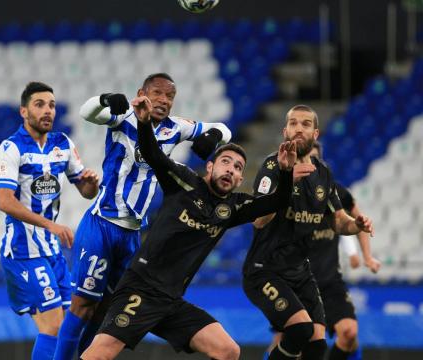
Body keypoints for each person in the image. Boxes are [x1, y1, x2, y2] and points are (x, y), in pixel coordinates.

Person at [81, 95, 307, 360]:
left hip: (171, 301)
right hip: (140, 290)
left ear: (240, 179)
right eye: (225, 162)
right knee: (99, 355)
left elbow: (277, 201)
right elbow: (153, 154)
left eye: (237, 168)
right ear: (209, 167)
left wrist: (285, 171)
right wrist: (143, 124)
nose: (230, 170)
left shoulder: (234, 208)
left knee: (228, 351)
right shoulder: (184, 182)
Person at [54, 73, 232, 359]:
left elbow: (224, 130)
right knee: (83, 304)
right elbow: (87, 112)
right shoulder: (123, 116)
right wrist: (104, 99)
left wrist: (212, 137)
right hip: (101, 225)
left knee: (111, 307)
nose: (163, 100)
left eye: (169, 96)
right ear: (142, 93)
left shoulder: (176, 128)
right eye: (157, 93)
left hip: (133, 234)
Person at [243, 105, 374, 360]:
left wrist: (357, 224)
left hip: (301, 271)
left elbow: (338, 222)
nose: (298, 128)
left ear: (315, 134)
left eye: (305, 124)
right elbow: (258, 220)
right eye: (293, 123)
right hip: (265, 270)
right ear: (285, 131)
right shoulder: (272, 166)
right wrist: (286, 180)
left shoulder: (323, 174)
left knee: (316, 346)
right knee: (299, 330)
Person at [0, 82, 100, 360]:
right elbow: (4, 201)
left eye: (51, 105)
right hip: (23, 253)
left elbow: (85, 192)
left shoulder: (62, 144)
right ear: (24, 111)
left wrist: (91, 184)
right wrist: (50, 225)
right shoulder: (11, 148)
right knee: (52, 326)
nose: (47, 110)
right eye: (39, 104)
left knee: (69, 326)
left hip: (52, 251)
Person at [263, 141, 381, 360]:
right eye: (303, 161)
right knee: (285, 342)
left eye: (313, 160)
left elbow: (357, 221)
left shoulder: (335, 193)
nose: (309, 166)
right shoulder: (286, 193)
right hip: (295, 283)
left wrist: (366, 256)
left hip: (328, 283)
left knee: (349, 333)